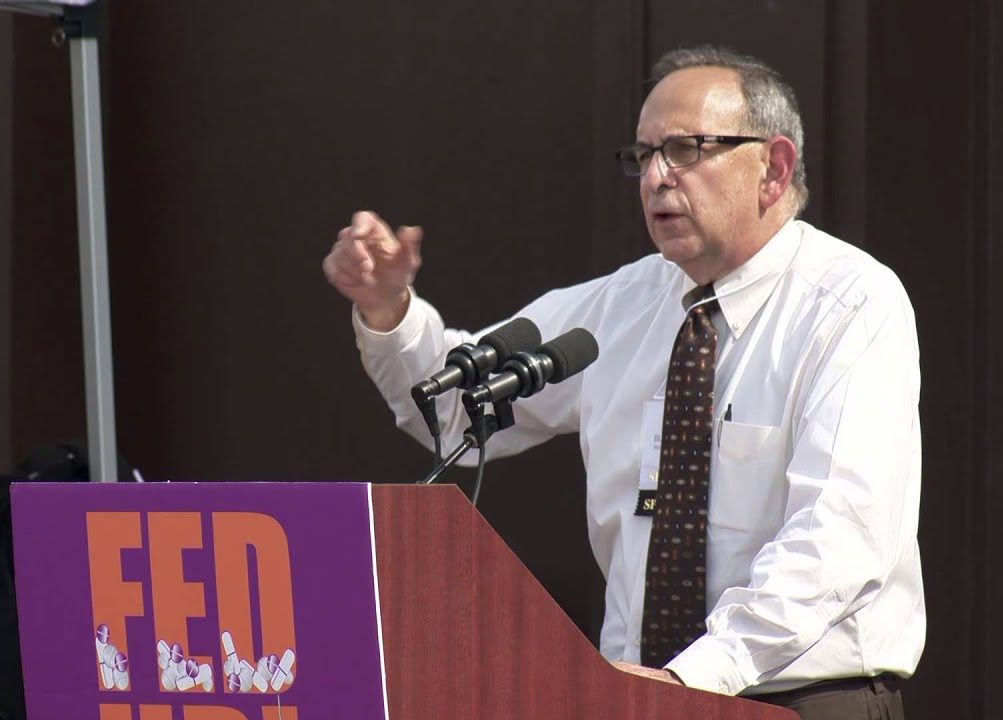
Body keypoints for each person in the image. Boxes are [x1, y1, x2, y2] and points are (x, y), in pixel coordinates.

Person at [323, 45, 924, 719]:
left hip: (799, 698)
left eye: (688, 150)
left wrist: (696, 677)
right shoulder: (621, 305)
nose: (657, 177)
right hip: (636, 698)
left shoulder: (850, 304)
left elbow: (838, 537)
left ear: (774, 169)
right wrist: (388, 310)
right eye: (643, 156)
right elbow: (456, 410)